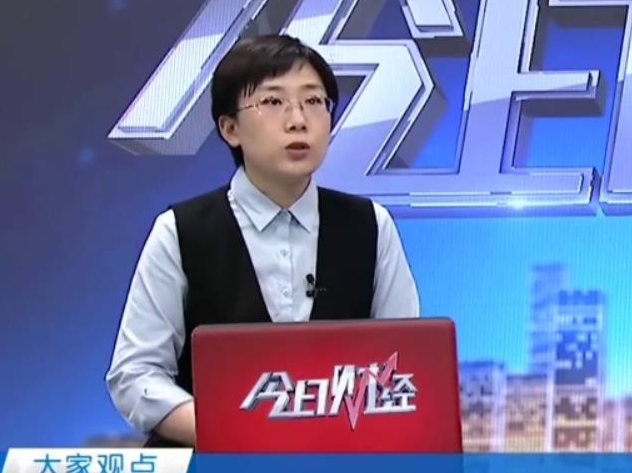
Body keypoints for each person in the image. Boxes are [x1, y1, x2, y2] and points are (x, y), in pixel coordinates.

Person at [106, 35, 420, 446]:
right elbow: (136, 374)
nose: (298, 120)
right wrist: (232, 433)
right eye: (273, 102)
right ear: (230, 128)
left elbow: (402, 366)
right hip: (210, 472)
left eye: (314, 101)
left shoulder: (370, 225)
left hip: (338, 469)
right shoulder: (180, 230)